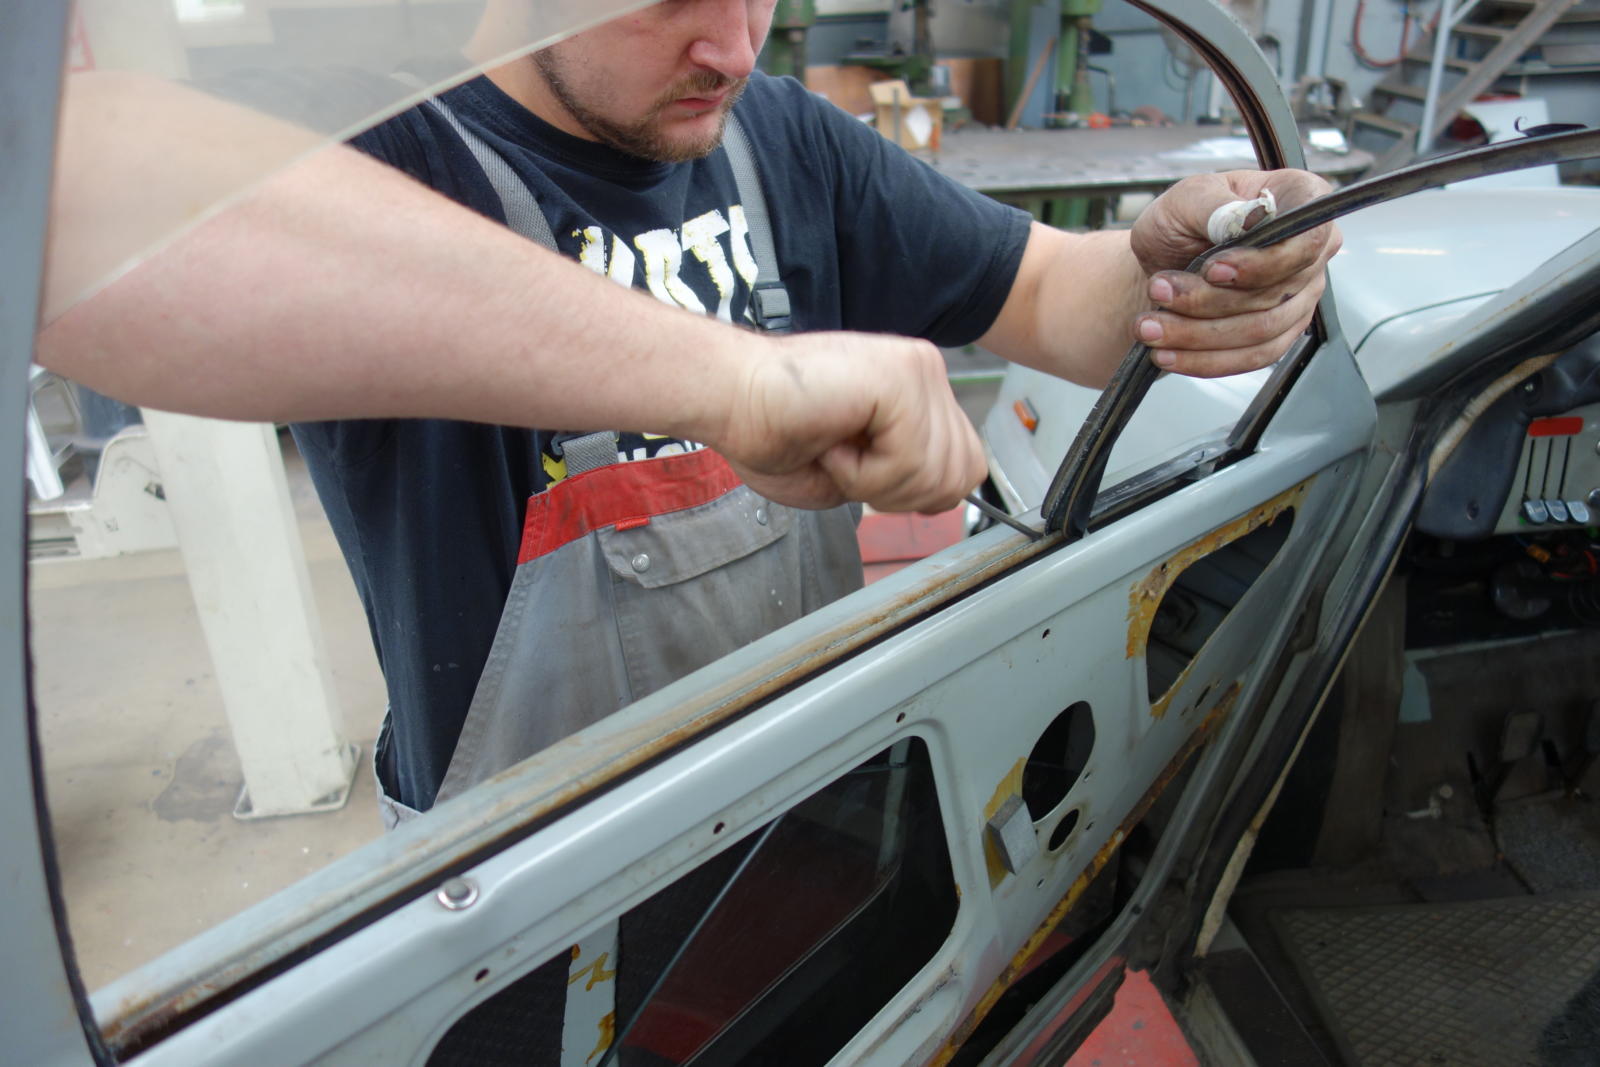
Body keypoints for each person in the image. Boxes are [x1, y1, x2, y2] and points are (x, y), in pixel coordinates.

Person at [37, 0, 1339, 827]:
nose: (733, 44)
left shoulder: (780, 139)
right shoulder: (390, 162)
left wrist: (1168, 273)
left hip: (801, 821)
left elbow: (1050, 292)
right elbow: (54, 206)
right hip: (519, 898)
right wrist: (734, 384)